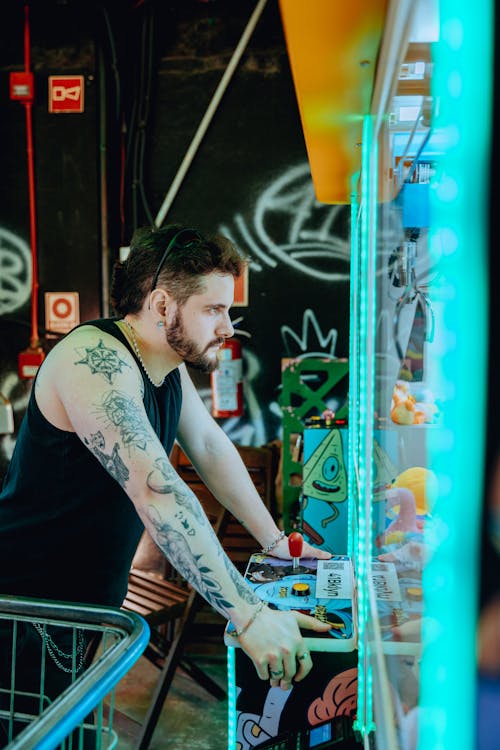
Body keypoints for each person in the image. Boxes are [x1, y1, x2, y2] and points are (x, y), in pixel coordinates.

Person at [0, 224, 331, 742]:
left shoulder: (166, 367)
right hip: (23, 609)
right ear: (161, 304)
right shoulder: (95, 360)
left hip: (85, 608)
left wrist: (276, 544)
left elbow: (211, 448)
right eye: (213, 309)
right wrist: (248, 615)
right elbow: (158, 492)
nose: (229, 327)